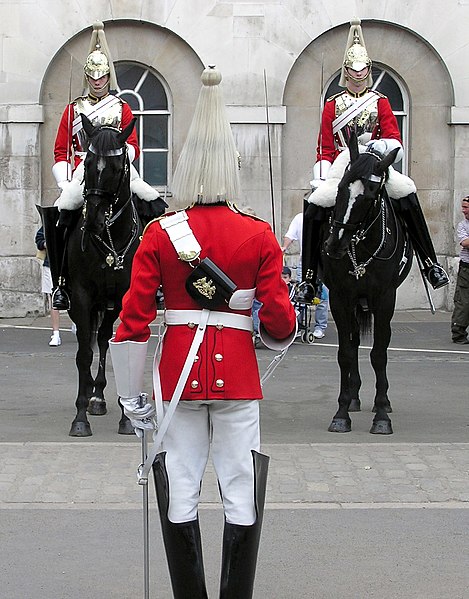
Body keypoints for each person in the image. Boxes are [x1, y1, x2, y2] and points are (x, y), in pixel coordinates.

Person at [109, 65, 297, 599]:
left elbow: (133, 320)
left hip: (178, 382)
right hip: (237, 380)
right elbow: (281, 323)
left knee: (180, 493)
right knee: (241, 492)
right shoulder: (258, 233)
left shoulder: (160, 233)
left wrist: (129, 394)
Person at [304, 17, 449, 293]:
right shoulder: (332, 106)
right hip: (341, 165)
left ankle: (430, 263)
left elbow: (393, 137)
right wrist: (322, 174)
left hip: (374, 162)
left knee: (406, 192)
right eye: (353, 70)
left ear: (368, 70)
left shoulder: (380, 101)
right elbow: (324, 144)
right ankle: (309, 277)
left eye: (362, 70)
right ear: (346, 71)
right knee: (315, 205)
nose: (358, 75)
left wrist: (378, 149)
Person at [46, 21, 166, 311]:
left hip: (118, 166)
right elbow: (61, 149)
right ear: (87, 77)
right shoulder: (74, 109)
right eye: (93, 77)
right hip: (82, 171)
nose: (97, 82)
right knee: (60, 215)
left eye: (102, 77)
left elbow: (133, 144)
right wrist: (65, 183)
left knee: (152, 206)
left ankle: (156, 280)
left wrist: (120, 159)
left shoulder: (121, 107)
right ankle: (61, 282)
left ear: (107, 77)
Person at [281, 211, 329, 338]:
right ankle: (298, 325)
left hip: (323, 262)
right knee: (300, 295)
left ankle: (320, 327)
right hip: (306, 261)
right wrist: (284, 247)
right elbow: (290, 235)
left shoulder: (327, 215)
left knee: (322, 295)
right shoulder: (300, 218)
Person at [35, 226, 61, 346]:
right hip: (50, 264)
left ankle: (77, 324)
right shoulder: (51, 218)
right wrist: (46, 243)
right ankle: (55, 333)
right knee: (53, 298)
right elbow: (39, 238)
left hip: (68, 263)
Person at [451, 196, 469, 344]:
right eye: (463, 207)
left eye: (466, 207)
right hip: (467, 269)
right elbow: (465, 242)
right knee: (463, 301)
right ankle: (458, 333)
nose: (463, 211)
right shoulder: (462, 225)